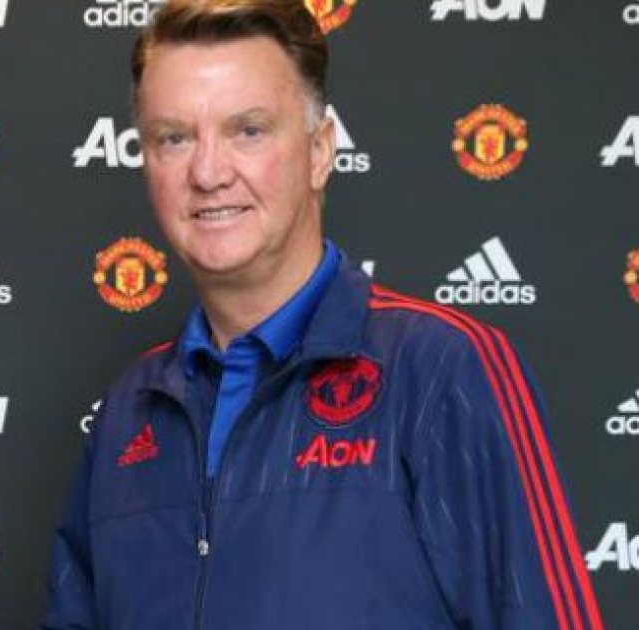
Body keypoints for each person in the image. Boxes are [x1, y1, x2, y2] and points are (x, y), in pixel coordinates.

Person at [40, 1, 603, 628]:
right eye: (174, 138)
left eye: (248, 130)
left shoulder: (441, 370)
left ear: (319, 151)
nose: (207, 171)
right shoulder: (129, 409)